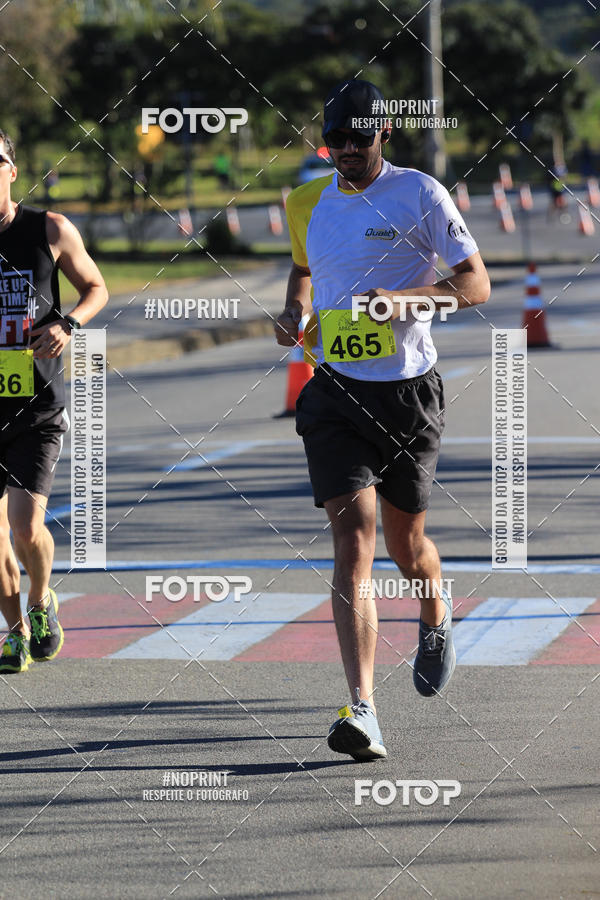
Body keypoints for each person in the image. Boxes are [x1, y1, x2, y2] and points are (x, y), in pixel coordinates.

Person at [274, 80, 490, 761]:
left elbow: (476, 284)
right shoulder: (306, 201)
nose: (345, 151)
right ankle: (362, 708)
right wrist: (294, 309)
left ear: (384, 134)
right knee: (354, 543)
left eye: (357, 139)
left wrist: (403, 300)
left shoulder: (419, 193)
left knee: (408, 548)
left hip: (407, 396)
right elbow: (303, 270)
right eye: (334, 140)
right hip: (335, 394)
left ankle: (434, 608)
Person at [0, 130, 108, 673]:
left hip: (36, 406)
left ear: (11, 171)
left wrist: (68, 325)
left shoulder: (49, 229)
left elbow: (96, 289)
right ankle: (15, 632)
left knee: (24, 527)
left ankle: (40, 600)